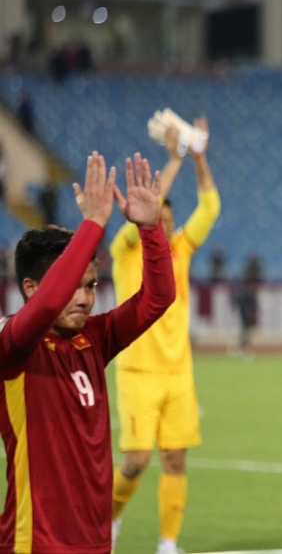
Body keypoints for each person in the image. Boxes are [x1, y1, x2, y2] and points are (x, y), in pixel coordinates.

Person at [0, 151, 174, 553]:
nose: (84, 299)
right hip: (35, 541)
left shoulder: (94, 337)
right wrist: (92, 226)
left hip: (95, 541)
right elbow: (44, 308)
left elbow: (158, 298)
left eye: (92, 286)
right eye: (74, 286)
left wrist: (150, 231)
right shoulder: (12, 344)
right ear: (30, 287)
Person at [110, 119, 220, 554]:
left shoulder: (181, 249)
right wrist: (174, 158)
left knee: (175, 459)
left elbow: (209, 208)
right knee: (136, 461)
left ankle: (168, 544)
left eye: (169, 221)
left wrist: (198, 158)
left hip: (178, 372)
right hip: (137, 371)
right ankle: (111, 516)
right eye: (157, 217)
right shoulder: (125, 250)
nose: (164, 226)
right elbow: (146, 206)